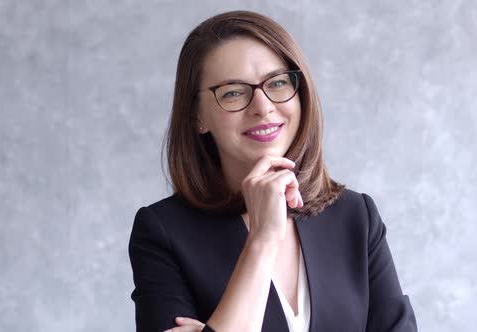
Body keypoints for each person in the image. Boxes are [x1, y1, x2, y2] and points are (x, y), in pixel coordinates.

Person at [129, 10, 417, 332]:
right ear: (198, 116)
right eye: (233, 92)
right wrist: (261, 240)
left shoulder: (356, 216)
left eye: (278, 83)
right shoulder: (161, 232)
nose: (263, 106)